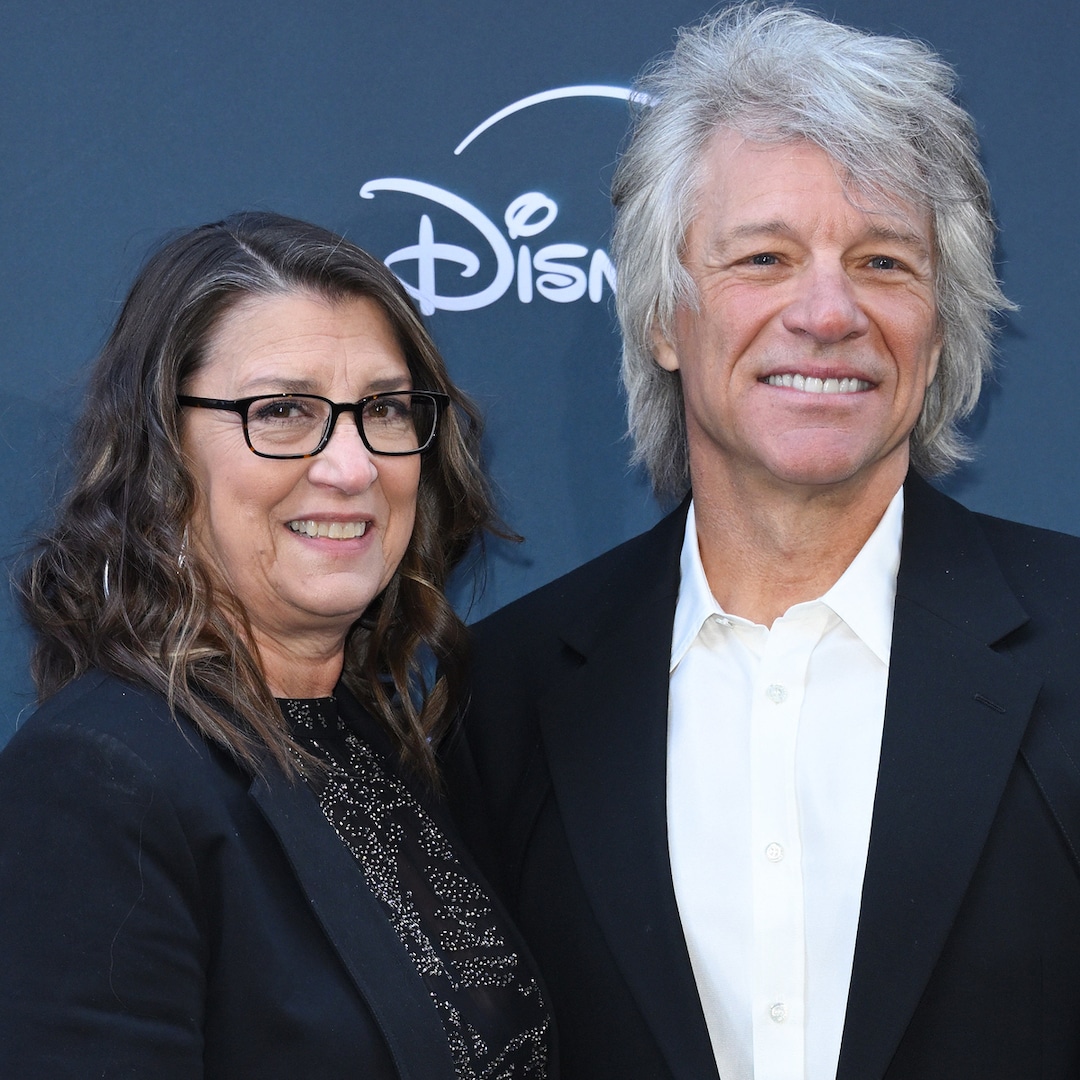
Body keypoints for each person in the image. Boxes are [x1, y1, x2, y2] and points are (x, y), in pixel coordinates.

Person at [453, 6, 1080, 1080]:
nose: (828, 313)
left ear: (940, 329)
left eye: (883, 261)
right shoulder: (507, 697)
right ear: (664, 318)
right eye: (764, 257)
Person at [0, 211, 552, 1079]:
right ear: (162, 450)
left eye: (384, 409)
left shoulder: (379, 743)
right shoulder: (97, 778)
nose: (352, 466)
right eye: (284, 411)